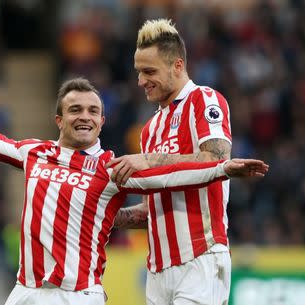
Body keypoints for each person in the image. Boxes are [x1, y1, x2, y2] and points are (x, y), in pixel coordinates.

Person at [0, 78, 268, 305]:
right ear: (59, 119)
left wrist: (221, 168)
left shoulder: (112, 169)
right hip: (27, 291)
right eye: (75, 109)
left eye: (93, 111)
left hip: (79, 295)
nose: (84, 116)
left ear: (102, 121)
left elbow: (168, 177)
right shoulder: (36, 153)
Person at [107, 19, 238, 305]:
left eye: (149, 71)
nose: (141, 81)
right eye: (139, 72)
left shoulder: (204, 100)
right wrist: (106, 218)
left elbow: (216, 159)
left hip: (200, 259)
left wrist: (149, 159)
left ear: (177, 66)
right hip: (157, 271)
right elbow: (152, 208)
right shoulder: (150, 128)